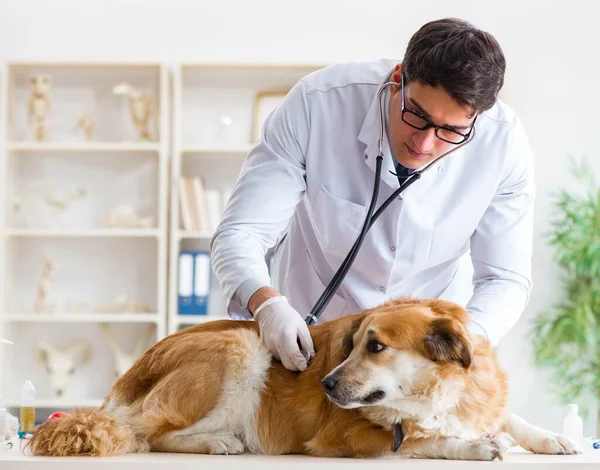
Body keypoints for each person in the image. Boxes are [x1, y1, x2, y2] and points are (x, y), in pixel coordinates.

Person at [210, 17, 535, 372]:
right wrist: (266, 305)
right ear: (397, 80)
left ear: (477, 120)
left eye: (450, 131)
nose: (424, 143)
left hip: (418, 356)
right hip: (311, 335)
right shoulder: (318, 103)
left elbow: (504, 278)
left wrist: (462, 346)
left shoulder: (504, 145)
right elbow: (241, 231)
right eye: (417, 115)